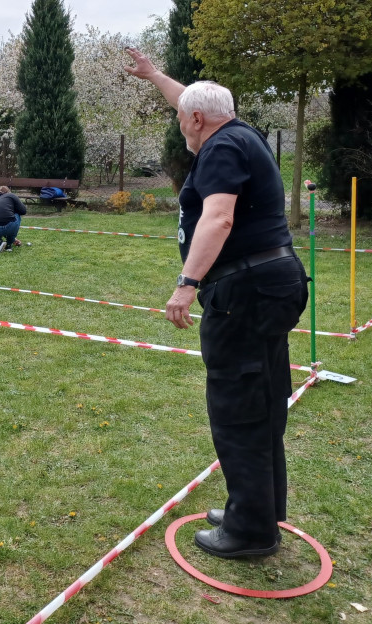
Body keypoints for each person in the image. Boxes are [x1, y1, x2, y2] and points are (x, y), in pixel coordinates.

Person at [124, 48, 308, 560]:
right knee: (263, 400)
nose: (179, 119)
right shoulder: (236, 131)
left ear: (198, 121)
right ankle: (259, 509)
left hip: (244, 291)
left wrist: (187, 283)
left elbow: (219, 219)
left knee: (239, 408)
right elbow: (191, 99)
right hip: (269, 283)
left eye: (183, 117)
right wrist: (156, 75)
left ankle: (251, 531)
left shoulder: (220, 148)